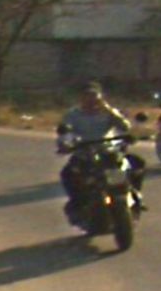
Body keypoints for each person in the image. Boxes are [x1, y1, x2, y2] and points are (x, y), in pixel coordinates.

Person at [58, 81, 146, 222]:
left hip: (108, 152)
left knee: (137, 164)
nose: (91, 100)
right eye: (87, 96)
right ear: (81, 98)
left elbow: (125, 127)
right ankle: (77, 204)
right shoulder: (73, 115)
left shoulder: (108, 112)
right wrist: (65, 144)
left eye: (94, 96)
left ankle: (135, 196)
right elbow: (64, 132)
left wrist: (110, 111)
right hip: (84, 153)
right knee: (68, 174)